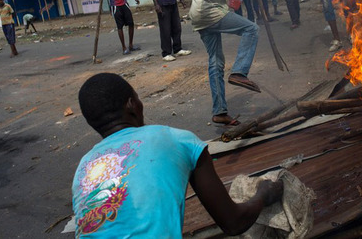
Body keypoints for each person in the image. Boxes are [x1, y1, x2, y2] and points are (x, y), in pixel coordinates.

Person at [72, 73, 283, 237]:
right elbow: (234, 222)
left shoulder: (83, 168)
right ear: (131, 105)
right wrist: (263, 194)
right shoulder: (176, 139)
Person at [189, 0, 261, 126]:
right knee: (251, 28)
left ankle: (219, 112)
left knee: (215, 62)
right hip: (209, 12)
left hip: (202, 14)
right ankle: (239, 72)